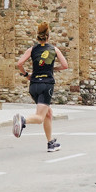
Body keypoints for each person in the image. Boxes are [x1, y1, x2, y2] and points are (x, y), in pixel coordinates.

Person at [13, 22, 68, 152]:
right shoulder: (54, 49)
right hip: (46, 85)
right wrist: (53, 68)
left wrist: (27, 74)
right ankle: (22, 120)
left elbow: (20, 63)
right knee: (39, 117)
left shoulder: (32, 49)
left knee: (48, 113)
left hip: (34, 86)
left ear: (38, 37)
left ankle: (50, 143)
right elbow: (65, 65)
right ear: (48, 37)